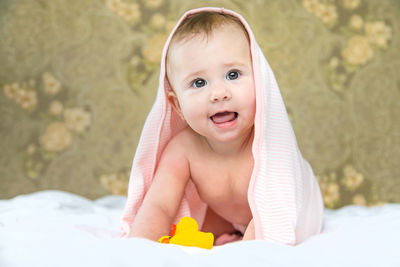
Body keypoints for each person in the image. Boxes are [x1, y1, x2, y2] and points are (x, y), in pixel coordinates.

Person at [121, 7, 323, 246]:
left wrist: (249, 250)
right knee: (188, 231)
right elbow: (159, 206)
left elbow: (279, 210)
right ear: (177, 106)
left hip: (286, 206)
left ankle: (244, 240)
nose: (218, 94)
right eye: (199, 82)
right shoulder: (183, 150)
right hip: (228, 217)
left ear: (259, 80)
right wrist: (137, 249)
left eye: (233, 75)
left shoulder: (270, 144)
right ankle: (232, 234)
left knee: (265, 224)